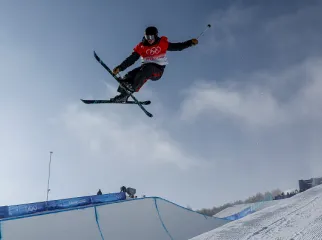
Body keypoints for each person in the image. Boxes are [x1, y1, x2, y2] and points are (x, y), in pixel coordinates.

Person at [110, 26, 199, 102]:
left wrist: (190, 43)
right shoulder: (141, 46)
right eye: (147, 37)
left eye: (151, 37)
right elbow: (131, 59)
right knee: (129, 76)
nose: (149, 40)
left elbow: (177, 47)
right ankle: (123, 96)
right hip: (144, 68)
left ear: (155, 36)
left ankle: (132, 89)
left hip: (157, 71)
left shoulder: (162, 43)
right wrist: (120, 67)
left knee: (148, 69)